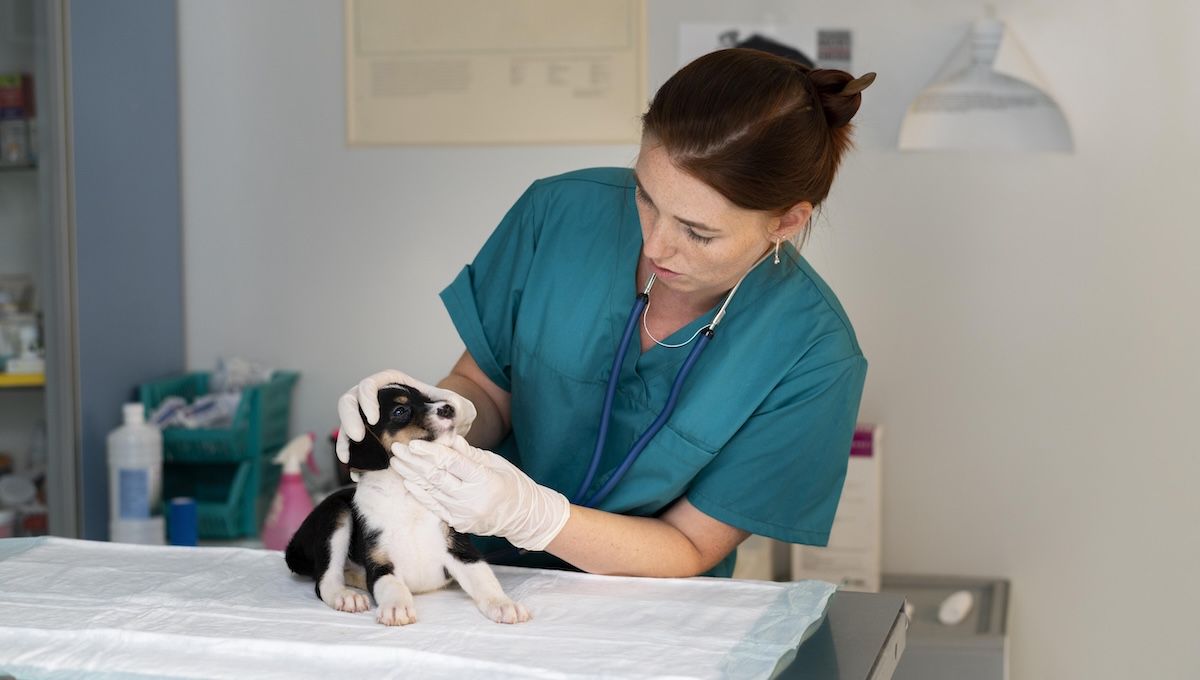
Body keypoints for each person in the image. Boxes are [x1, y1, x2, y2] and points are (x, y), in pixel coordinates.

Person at [337, 48, 875, 578]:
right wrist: (434, 421)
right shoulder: (559, 214)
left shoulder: (813, 356)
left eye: (698, 231)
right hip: (468, 568)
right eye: (645, 197)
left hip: (641, 614)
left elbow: (690, 544)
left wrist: (533, 517)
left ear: (785, 222)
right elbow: (485, 388)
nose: (657, 246)